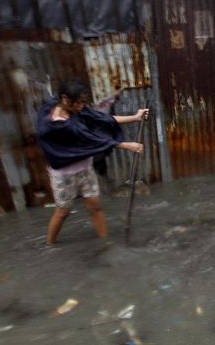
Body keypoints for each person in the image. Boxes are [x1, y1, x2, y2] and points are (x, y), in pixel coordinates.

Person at [36, 78, 147, 245]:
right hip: (64, 175)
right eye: (79, 102)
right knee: (63, 211)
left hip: (85, 169)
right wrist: (126, 145)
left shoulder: (74, 110)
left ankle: (105, 243)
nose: (82, 106)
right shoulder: (55, 125)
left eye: (83, 102)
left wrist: (135, 117)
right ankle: (49, 245)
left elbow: (102, 118)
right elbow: (92, 140)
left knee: (95, 206)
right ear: (65, 99)